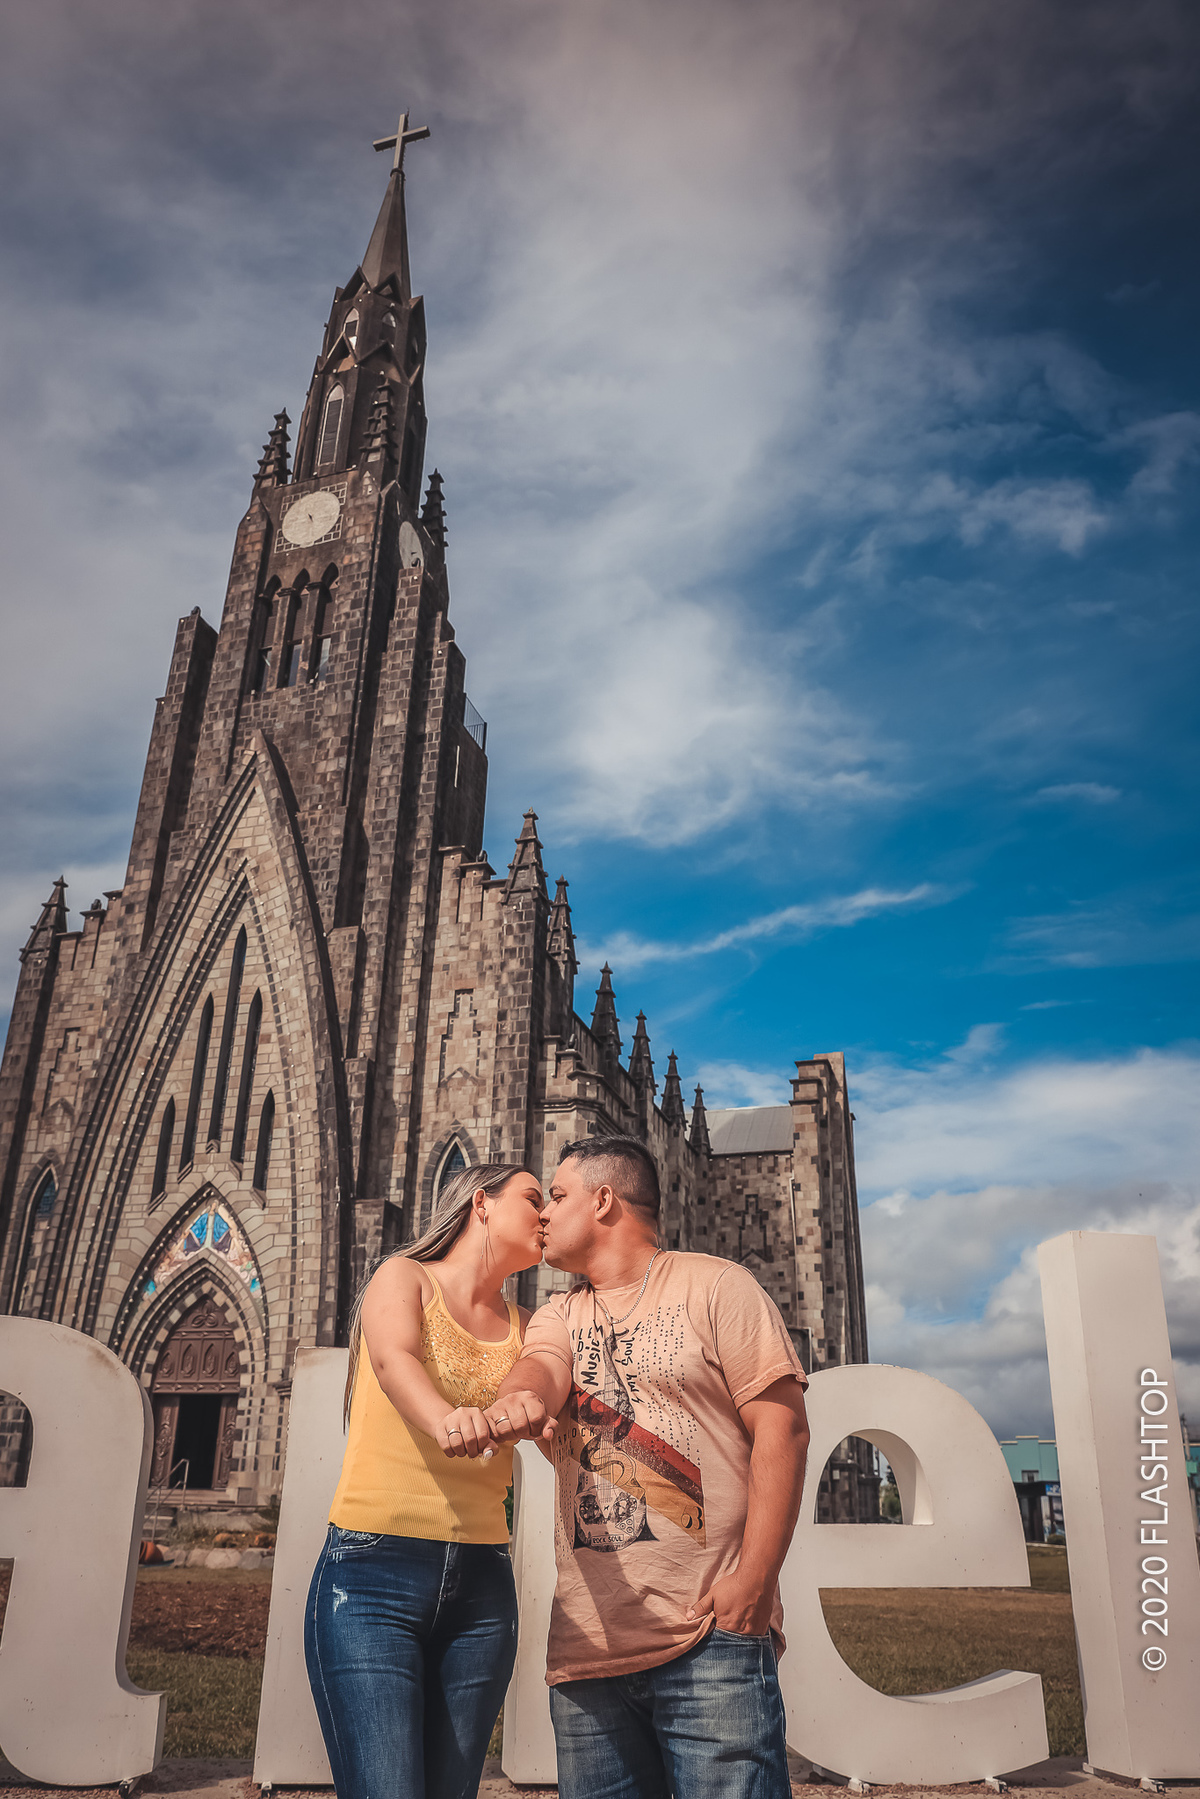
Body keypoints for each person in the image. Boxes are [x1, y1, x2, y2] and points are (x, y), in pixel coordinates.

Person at [486, 1135, 810, 1799]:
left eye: (559, 1195)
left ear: (604, 1200)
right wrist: (519, 1397)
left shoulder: (718, 1285)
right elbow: (540, 1368)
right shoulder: (558, 1313)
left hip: (710, 1641)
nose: (544, 1213)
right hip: (587, 1658)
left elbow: (785, 1428)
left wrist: (753, 1583)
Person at [304, 1162, 544, 1799]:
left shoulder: (529, 1327)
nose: (545, 1214)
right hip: (372, 1573)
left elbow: (545, 1419)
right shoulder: (403, 1276)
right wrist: (448, 1421)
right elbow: (392, 1358)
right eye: (532, 1198)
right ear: (481, 1204)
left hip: (484, 1587)